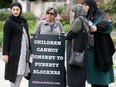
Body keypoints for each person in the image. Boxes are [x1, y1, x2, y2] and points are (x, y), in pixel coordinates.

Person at [82, 0, 115, 87]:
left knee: (102, 77)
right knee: (93, 78)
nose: (84, 7)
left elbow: (109, 27)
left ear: (91, 5)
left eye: (86, 5)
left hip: (102, 49)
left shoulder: (101, 14)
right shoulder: (85, 16)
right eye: (83, 5)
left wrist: (97, 28)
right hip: (91, 51)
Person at [2, 1, 31, 87]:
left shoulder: (23, 21)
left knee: (22, 72)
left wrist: (31, 51)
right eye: (13, 9)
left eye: (17, 9)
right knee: (14, 73)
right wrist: (5, 54)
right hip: (14, 53)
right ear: (11, 10)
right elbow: (6, 39)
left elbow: (27, 36)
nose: (15, 11)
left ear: (20, 10)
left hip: (24, 53)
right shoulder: (9, 22)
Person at [65, 4, 89, 87]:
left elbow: (69, 35)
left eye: (73, 11)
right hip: (81, 53)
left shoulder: (78, 20)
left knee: (73, 77)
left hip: (75, 55)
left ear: (76, 12)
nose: (72, 13)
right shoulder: (84, 20)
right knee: (80, 77)